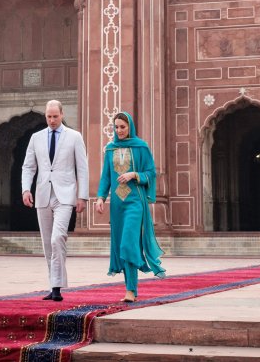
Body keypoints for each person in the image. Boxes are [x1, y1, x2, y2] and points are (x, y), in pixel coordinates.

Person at [21, 100, 89, 301]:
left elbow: (82, 168)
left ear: (62, 114)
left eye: (55, 116)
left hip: (65, 195)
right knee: (47, 243)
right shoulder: (36, 138)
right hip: (43, 194)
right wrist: (26, 189)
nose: (52, 120)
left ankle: (57, 287)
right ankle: (54, 284)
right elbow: (28, 166)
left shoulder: (74, 137)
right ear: (45, 116)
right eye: (49, 117)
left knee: (58, 238)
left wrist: (82, 196)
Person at [95, 111, 166, 302]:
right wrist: (101, 197)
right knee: (122, 245)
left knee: (128, 242)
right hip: (118, 205)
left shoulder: (140, 147)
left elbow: (151, 172)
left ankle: (131, 290)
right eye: (116, 127)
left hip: (135, 202)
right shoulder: (110, 149)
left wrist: (134, 175)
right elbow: (106, 177)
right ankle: (130, 290)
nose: (119, 130)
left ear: (130, 127)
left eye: (123, 127)